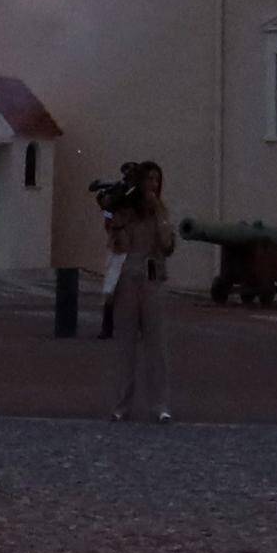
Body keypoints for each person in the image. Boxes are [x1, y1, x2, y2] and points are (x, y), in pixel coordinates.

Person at [101, 159, 174, 422]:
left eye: (157, 180)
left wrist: (159, 213)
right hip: (127, 277)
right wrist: (115, 215)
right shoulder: (126, 210)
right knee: (125, 346)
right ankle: (122, 404)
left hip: (152, 277)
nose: (153, 185)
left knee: (157, 345)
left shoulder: (160, 210)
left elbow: (167, 245)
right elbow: (113, 235)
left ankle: (160, 404)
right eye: (149, 179)